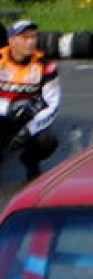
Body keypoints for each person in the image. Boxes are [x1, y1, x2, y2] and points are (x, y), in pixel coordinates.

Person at [0, 20, 60, 181]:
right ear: (11, 41)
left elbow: (52, 105)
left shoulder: (45, 65)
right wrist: (6, 108)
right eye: (25, 38)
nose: (31, 42)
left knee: (48, 140)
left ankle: (31, 164)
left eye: (33, 37)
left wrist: (29, 130)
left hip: (26, 120)